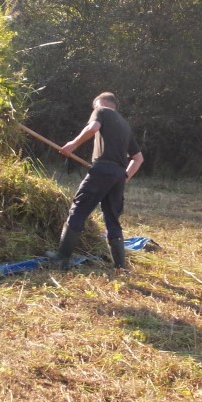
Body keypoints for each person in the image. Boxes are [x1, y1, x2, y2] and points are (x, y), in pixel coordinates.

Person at [54, 92, 144, 270]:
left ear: (103, 103)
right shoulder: (125, 126)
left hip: (102, 169)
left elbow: (93, 128)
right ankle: (120, 266)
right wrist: (124, 177)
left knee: (79, 208)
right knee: (112, 218)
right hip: (118, 174)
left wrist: (72, 144)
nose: (94, 110)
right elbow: (139, 158)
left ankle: (61, 258)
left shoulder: (101, 110)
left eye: (95, 106)